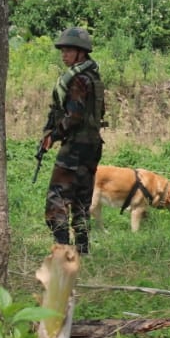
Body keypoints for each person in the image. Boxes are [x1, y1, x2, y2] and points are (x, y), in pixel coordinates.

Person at [41, 27, 106, 252]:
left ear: (81, 53)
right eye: (63, 50)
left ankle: (62, 250)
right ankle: (82, 250)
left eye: (69, 50)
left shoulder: (78, 80)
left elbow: (74, 116)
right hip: (92, 147)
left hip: (76, 148)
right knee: (81, 201)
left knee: (56, 199)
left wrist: (54, 135)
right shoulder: (93, 77)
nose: (64, 54)